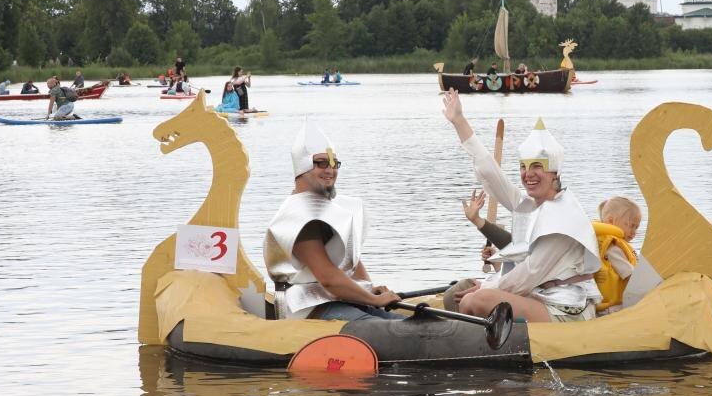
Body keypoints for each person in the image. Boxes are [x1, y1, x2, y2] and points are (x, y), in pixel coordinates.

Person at [441, 89, 601, 322]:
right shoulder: (530, 205)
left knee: (474, 300)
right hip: (539, 295)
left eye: (537, 166)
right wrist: (459, 121)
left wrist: (486, 287)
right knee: (460, 291)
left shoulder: (564, 216)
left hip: (567, 307)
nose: (528, 174)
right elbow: (492, 174)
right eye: (524, 167)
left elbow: (529, 273)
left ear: (554, 174)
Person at [264, 120, 402, 321]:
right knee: (397, 329)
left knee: (409, 324)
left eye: (333, 163)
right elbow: (328, 278)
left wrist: (367, 289)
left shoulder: (330, 209)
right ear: (302, 166)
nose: (330, 170)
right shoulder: (296, 216)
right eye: (321, 163)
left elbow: (350, 261)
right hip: (308, 308)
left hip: (339, 300)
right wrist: (374, 300)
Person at [592, 197, 642, 314]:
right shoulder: (613, 249)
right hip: (613, 309)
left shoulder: (599, 241)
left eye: (636, 227)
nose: (634, 232)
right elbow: (630, 275)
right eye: (631, 225)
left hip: (603, 305)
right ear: (611, 221)